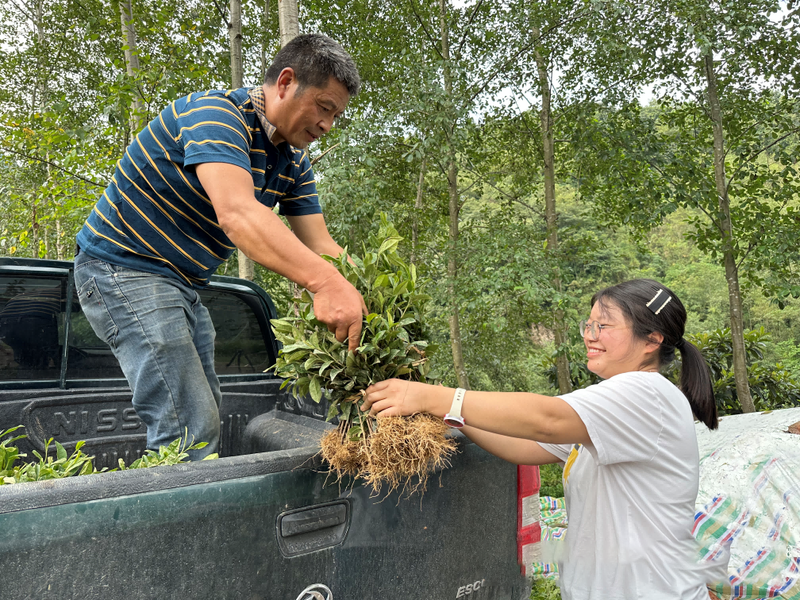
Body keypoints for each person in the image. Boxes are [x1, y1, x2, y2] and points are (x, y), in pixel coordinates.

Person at [73, 34, 366, 460]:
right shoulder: (217, 114)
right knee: (187, 424)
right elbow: (238, 213)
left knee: (204, 406)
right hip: (123, 268)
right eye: (324, 107)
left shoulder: (293, 162)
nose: (327, 125)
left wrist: (369, 297)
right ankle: (176, 523)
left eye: (335, 116)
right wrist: (325, 284)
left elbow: (321, 243)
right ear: (285, 82)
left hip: (180, 284)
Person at [363, 279, 720, 600]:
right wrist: (451, 412)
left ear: (652, 340)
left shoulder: (645, 393)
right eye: (589, 324)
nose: (590, 335)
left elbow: (544, 420)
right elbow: (528, 447)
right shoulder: (615, 403)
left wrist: (433, 397)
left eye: (605, 326)